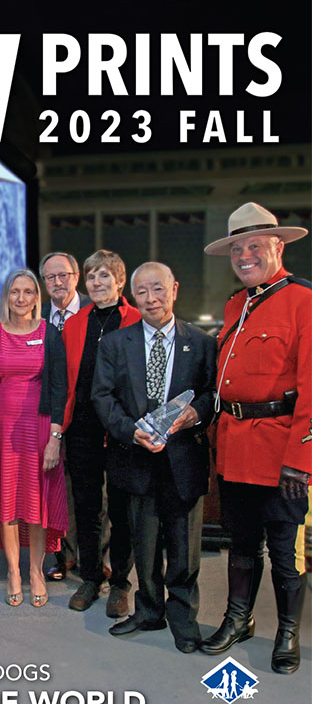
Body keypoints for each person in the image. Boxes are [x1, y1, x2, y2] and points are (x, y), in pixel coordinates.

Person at [200, 202, 310, 674]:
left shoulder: (304, 301)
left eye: (254, 246)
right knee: (240, 544)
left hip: (282, 451)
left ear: (277, 246)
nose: (244, 255)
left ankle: (286, 632)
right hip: (236, 447)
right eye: (236, 248)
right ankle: (238, 618)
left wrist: (301, 461)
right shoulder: (233, 305)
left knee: (287, 552)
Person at [92, 262, 216, 653]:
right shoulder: (115, 343)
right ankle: (148, 611)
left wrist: (198, 412)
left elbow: (212, 393)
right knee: (143, 545)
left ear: (174, 289)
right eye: (142, 292)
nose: (151, 299)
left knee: (183, 547)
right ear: (134, 295)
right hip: (136, 458)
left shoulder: (201, 342)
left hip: (183, 460)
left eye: (158, 289)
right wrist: (131, 431)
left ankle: (183, 618)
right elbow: (102, 397)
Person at [0, 269, 68, 607]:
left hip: (39, 430)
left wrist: (55, 438)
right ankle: (13, 570)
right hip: (0, 429)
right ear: (6, 296)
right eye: (15, 291)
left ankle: (36, 572)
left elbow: (60, 391)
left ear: (36, 298)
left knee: (36, 505)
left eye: (28, 292)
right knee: (8, 502)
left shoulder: (50, 334)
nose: (21, 298)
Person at [62, 250, 141, 615]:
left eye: (104, 276)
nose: (97, 283)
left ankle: (121, 584)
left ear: (120, 281)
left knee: (123, 509)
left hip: (123, 430)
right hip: (81, 428)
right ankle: (92, 576)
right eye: (92, 277)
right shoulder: (75, 323)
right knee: (88, 507)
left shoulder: (136, 320)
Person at [39, 251, 90, 582]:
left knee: (90, 492)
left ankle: (93, 559)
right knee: (54, 489)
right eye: (50, 278)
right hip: (47, 418)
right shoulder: (36, 315)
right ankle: (61, 556)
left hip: (88, 416)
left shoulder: (95, 309)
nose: (58, 283)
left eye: (64, 275)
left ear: (77, 276)